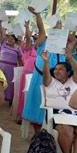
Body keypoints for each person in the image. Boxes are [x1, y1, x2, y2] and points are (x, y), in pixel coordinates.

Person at [41, 48, 77, 153]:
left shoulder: (74, 81)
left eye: (61, 69)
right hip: (57, 114)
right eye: (55, 69)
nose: (57, 71)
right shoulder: (50, 82)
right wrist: (46, 62)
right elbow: (46, 74)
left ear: (68, 73)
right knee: (67, 130)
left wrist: (70, 58)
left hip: (75, 114)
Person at [22, 7, 52, 136]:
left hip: (54, 81)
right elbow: (42, 31)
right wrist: (38, 15)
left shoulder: (64, 49)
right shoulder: (44, 43)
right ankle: (37, 133)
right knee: (36, 104)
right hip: (39, 78)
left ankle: (47, 133)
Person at [0, 18, 22, 104]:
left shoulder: (18, 49)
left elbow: (20, 60)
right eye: (9, 38)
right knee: (0, 82)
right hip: (1, 66)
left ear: (15, 41)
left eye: (12, 39)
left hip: (12, 68)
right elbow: (2, 34)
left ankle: (10, 99)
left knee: (10, 84)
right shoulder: (3, 44)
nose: (10, 39)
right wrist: (0, 23)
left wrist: (21, 70)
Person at [17, 20, 38, 122]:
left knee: (32, 96)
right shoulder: (28, 48)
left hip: (36, 75)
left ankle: (30, 116)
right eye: (35, 39)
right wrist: (27, 28)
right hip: (27, 73)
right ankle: (20, 115)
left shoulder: (42, 50)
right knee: (23, 95)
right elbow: (29, 40)